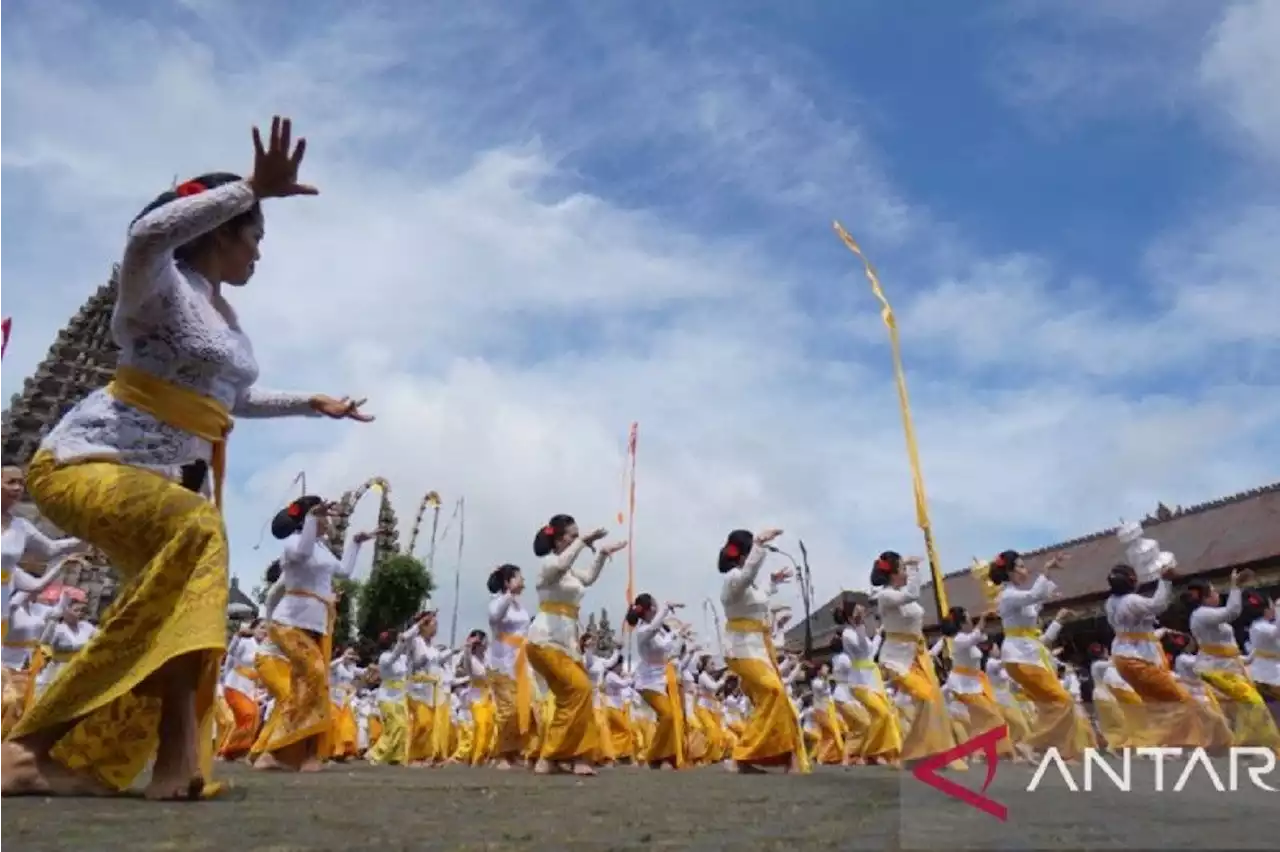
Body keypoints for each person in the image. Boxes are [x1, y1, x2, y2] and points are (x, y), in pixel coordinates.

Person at [0, 116, 373, 801]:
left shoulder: (226, 322)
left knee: (187, 606)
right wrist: (251, 188)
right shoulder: (158, 284)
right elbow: (145, 234)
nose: (260, 253)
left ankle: (115, 759)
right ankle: (33, 744)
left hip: (160, 480)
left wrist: (312, 403)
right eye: (254, 238)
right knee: (200, 532)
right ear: (220, 231)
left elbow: (235, 398)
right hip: (86, 463)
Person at [524, 514, 625, 776]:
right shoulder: (549, 565)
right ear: (558, 539)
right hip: (544, 640)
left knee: (575, 696)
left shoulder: (567, 571)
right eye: (571, 534)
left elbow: (588, 578)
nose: (577, 539)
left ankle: (571, 757)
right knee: (579, 689)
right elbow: (561, 564)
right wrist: (582, 541)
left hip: (564, 643)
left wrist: (602, 553)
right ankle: (552, 755)